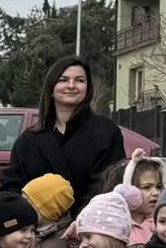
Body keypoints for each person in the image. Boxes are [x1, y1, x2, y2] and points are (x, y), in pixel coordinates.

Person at [7, 56, 126, 207]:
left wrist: (82, 218)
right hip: (36, 220)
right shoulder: (28, 140)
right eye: (63, 80)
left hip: (93, 218)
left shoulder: (106, 132)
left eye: (79, 80)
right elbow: (12, 186)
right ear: (51, 87)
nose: (71, 86)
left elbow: (110, 183)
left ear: (88, 88)